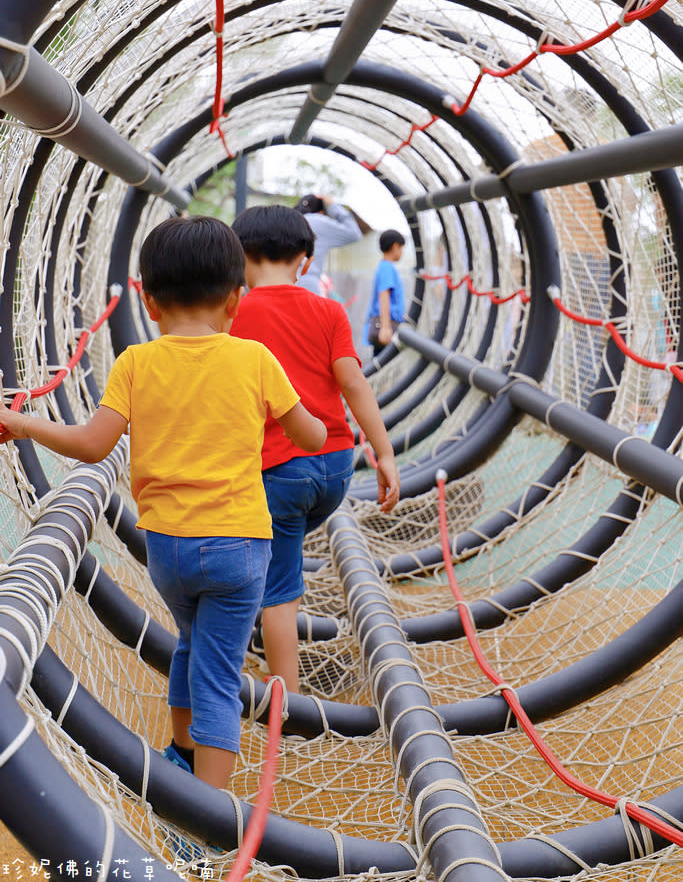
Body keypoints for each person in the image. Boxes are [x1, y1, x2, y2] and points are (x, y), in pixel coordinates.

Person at [0, 215, 326, 789]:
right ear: (235, 300)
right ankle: (210, 809)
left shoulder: (135, 363)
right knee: (220, 675)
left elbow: (94, 444)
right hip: (240, 547)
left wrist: (21, 422)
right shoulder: (255, 360)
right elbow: (310, 437)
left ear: (148, 302)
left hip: (169, 550)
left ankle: (179, 756)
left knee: (188, 646)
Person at [230, 204, 400, 693]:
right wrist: (383, 453)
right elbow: (354, 383)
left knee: (278, 592)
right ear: (306, 261)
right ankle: (259, 653)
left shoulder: (236, 312)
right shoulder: (329, 310)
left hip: (279, 469)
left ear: (240, 258)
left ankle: (288, 695)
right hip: (335, 468)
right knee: (270, 556)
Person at [294, 193, 362, 295]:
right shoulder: (319, 221)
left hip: (282, 282)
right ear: (320, 212)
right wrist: (332, 205)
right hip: (308, 283)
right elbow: (354, 234)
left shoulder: (290, 221)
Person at [364, 229, 406, 355]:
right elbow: (384, 296)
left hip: (387, 325)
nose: (401, 252)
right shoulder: (387, 268)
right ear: (395, 246)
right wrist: (385, 327)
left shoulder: (384, 267)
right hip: (386, 328)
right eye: (401, 248)